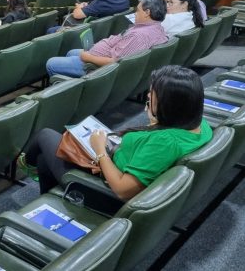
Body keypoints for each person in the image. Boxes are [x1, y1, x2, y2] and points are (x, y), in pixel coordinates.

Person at [21, 65, 212, 199]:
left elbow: (122, 191)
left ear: (171, 105)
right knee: (45, 160)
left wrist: (100, 150)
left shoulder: (164, 143)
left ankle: (25, 164)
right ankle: (49, 194)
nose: (147, 95)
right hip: (119, 157)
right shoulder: (199, 125)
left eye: (153, 94)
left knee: (44, 135)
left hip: (105, 189)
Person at [46, 0, 168, 78]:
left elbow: (114, 63)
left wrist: (88, 57)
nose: (135, 13)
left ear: (147, 13)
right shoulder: (157, 28)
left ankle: (74, 90)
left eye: (138, 10)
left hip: (96, 68)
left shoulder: (139, 36)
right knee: (71, 52)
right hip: (100, 56)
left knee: (51, 63)